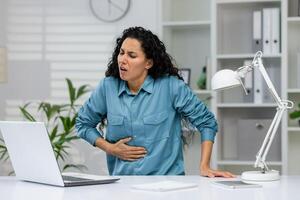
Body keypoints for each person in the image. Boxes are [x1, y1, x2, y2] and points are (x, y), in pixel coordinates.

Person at [76, 26, 234, 177]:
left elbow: (207, 122)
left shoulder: (171, 86)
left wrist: (204, 166)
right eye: (121, 53)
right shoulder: (108, 87)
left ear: (148, 63)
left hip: (167, 184)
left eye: (132, 55)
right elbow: (83, 123)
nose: (122, 60)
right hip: (123, 185)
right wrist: (110, 148)